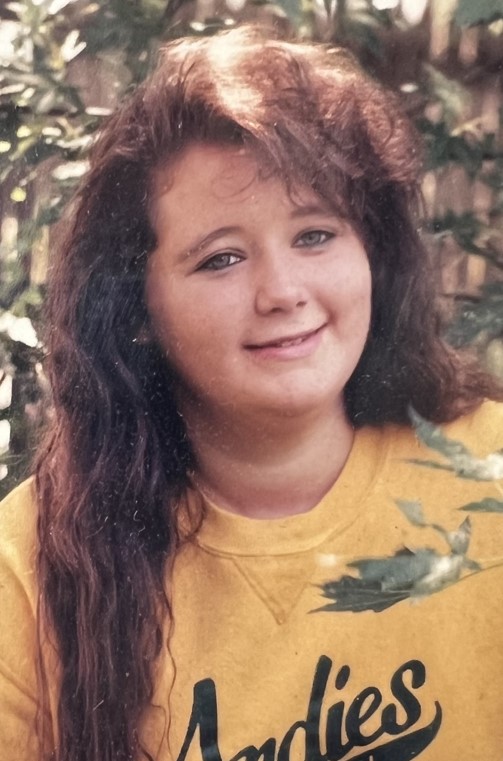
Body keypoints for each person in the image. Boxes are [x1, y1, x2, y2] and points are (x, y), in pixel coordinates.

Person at [0, 24, 502, 761]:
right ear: (135, 308)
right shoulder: (31, 561)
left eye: (315, 235)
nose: (282, 291)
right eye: (221, 259)